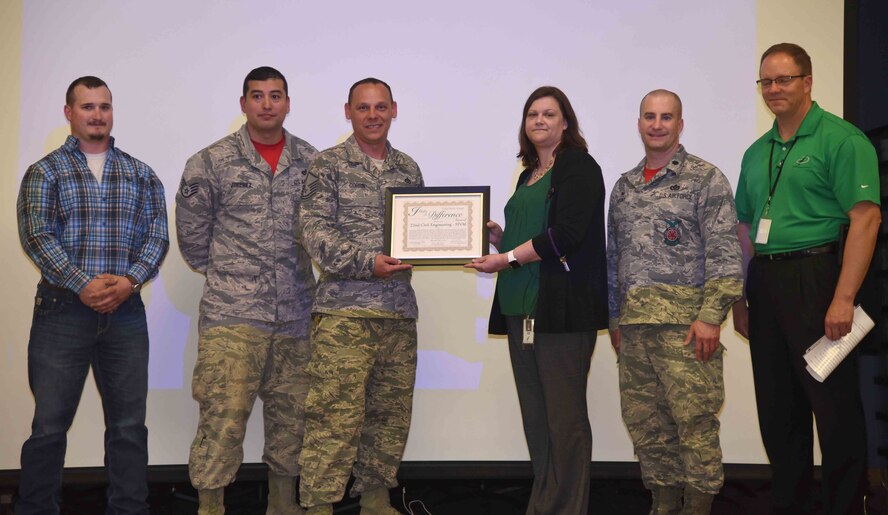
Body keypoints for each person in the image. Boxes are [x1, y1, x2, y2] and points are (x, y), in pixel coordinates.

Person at [732, 43, 881, 515]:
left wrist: (843, 298)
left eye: (784, 80)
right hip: (766, 283)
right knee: (778, 411)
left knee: (833, 410)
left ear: (808, 82)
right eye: (766, 82)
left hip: (818, 279)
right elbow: (744, 228)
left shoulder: (841, 139)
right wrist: (740, 298)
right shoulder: (756, 153)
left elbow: (866, 219)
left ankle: (844, 505)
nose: (774, 89)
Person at [15, 76, 169, 514]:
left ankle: (128, 509)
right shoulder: (45, 171)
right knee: (48, 426)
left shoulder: (141, 173)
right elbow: (37, 236)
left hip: (126, 312)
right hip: (62, 311)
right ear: (69, 113)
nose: (97, 114)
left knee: (127, 426)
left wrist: (129, 281)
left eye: (104, 106)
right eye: (87, 107)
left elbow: (157, 237)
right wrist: (82, 283)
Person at [176, 66, 318, 515]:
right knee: (223, 418)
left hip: (296, 314)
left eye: (276, 96)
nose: (267, 104)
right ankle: (211, 506)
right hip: (232, 316)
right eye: (257, 96)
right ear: (243, 104)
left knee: (292, 420)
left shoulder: (312, 161)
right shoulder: (210, 161)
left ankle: (282, 504)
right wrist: (235, 278)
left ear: (288, 103)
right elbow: (193, 240)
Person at [465, 86, 607, 515]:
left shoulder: (578, 167)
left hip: (560, 311)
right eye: (532, 114)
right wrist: (497, 238)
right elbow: (529, 234)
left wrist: (505, 258)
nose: (540, 120)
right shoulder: (528, 174)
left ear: (566, 122)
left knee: (564, 422)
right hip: (519, 308)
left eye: (549, 113)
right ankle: (544, 504)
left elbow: (564, 236)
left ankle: (567, 508)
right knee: (537, 417)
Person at [606, 89, 743, 515]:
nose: (657, 124)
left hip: (686, 330)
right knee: (647, 427)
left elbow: (725, 254)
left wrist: (710, 318)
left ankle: (698, 508)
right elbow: (614, 258)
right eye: (650, 116)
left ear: (680, 125)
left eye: (667, 117)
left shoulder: (705, 178)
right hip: (635, 328)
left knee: (695, 424)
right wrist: (614, 318)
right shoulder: (624, 187)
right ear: (639, 123)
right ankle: (663, 505)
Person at [297, 78, 423, 515]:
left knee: (389, 415)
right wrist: (366, 261)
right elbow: (314, 232)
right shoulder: (327, 165)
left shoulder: (408, 169)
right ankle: (318, 505)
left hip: (398, 313)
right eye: (364, 108)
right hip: (343, 315)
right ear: (347, 112)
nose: (373, 115)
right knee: (333, 416)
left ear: (394, 110)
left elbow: (420, 233)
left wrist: (460, 237)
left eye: (381, 107)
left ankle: (375, 499)